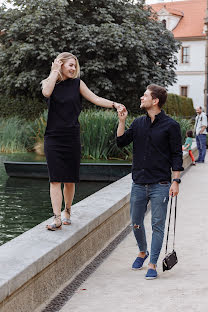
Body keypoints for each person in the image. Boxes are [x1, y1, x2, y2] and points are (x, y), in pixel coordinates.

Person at [41, 52, 125, 231]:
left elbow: (95, 98)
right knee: (55, 179)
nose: (73, 68)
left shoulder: (78, 84)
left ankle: (67, 211)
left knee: (69, 179)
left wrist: (114, 104)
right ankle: (56, 218)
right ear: (61, 64)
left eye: (74, 66)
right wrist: (55, 72)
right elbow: (46, 92)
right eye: (70, 65)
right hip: (53, 137)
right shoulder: (49, 83)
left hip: (71, 136)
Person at [116, 84, 184, 279]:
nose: (141, 98)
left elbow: (176, 155)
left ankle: (153, 263)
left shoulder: (171, 126)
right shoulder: (138, 123)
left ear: (155, 101)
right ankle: (142, 251)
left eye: (145, 95)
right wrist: (122, 121)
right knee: (136, 222)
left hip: (161, 184)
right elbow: (121, 142)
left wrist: (176, 181)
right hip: (138, 182)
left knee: (157, 225)